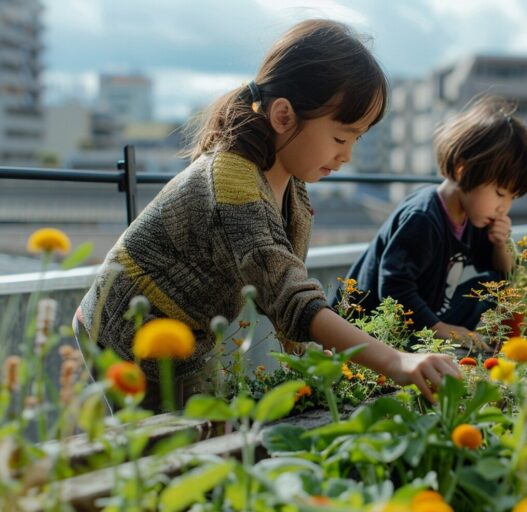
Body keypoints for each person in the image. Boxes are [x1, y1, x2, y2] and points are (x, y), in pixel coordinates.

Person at [74, 19, 461, 412]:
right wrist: (395, 360)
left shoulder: (291, 184)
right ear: (283, 116)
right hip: (127, 331)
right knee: (168, 455)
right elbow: (288, 292)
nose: (347, 155)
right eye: (341, 138)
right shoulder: (231, 181)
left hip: (184, 333)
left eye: (356, 140)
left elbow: (279, 285)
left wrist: (309, 349)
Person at [339, 96, 527, 347]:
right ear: (462, 169)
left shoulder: (472, 217)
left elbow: (502, 275)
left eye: (513, 197)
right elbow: (393, 288)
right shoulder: (423, 217)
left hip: (410, 329)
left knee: (489, 284)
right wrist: (442, 329)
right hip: (363, 333)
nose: (505, 207)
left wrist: (500, 244)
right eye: (500, 193)